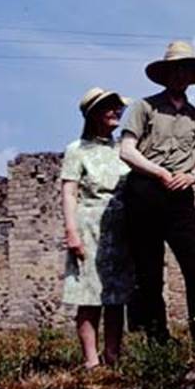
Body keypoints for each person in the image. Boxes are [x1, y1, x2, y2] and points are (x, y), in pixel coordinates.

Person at [119, 41, 195, 342]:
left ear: (191, 76)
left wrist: (191, 176)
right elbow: (126, 150)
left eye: (185, 69)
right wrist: (159, 172)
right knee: (148, 269)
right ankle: (157, 338)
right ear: (165, 74)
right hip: (145, 191)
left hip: (180, 196)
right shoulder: (143, 107)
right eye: (175, 69)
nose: (180, 75)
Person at [60, 87, 135, 368]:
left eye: (118, 107)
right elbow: (69, 192)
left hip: (121, 228)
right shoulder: (76, 150)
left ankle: (113, 356)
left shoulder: (123, 149)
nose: (116, 111)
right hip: (89, 225)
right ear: (93, 114)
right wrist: (72, 232)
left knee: (116, 297)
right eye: (109, 107)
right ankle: (91, 362)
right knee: (89, 296)